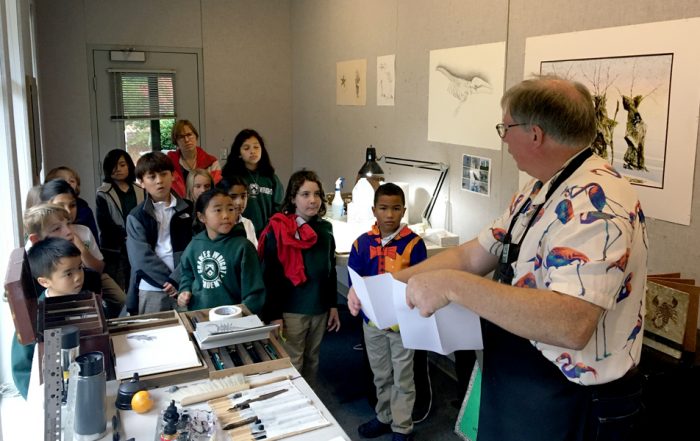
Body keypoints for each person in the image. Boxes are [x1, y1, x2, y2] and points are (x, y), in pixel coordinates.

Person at [389, 76, 648, 441]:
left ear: (535, 134)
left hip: (570, 398)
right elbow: (472, 255)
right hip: (519, 380)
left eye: (505, 127)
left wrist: (454, 286)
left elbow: (570, 324)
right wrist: (390, 285)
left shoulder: (597, 201)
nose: (504, 138)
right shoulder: (540, 187)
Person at [347, 183, 427, 441]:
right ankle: (384, 416)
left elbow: (421, 280)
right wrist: (353, 294)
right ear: (374, 210)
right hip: (372, 324)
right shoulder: (362, 243)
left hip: (402, 324)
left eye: (395, 209)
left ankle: (402, 426)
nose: (389, 215)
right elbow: (354, 280)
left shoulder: (414, 244)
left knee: (403, 377)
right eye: (383, 208)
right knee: (380, 374)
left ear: (403, 210)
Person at [258, 169, 340, 383]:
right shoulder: (280, 229)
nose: (312, 200)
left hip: (319, 308)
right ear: (293, 198)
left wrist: (332, 305)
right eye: (305, 194)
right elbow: (271, 277)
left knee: (313, 359)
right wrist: (274, 315)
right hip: (291, 310)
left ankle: (312, 403)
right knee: (293, 361)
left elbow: (329, 270)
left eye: (317, 194)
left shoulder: (326, 229)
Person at [11, 237, 88, 399]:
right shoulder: (34, 316)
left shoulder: (85, 299)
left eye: (80, 268)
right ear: (44, 281)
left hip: (84, 381)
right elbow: (22, 367)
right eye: (68, 273)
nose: (78, 277)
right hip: (52, 393)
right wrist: (37, 399)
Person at [39, 180, 126, 317]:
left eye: (72, 205)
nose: (68, 211)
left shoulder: (84, 231)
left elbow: (99, 268)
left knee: (123, 301)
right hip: (63, 281)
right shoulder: (44, 236)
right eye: (61, 206)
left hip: (91, 275)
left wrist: (81, 247)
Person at [177, 189, 266, 313]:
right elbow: (187, 274)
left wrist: (242, 315)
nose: (226, 215)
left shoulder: (243, 247)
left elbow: (254, 292)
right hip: (200, 315)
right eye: (218, 210)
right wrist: (184, 290)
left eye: (231, 209)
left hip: (234, 320)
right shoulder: (194, 245)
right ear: (202, 217)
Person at [126, 151, 193, 315]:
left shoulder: (190, 209)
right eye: (152, 176)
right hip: (151, 287)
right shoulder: (136, 216)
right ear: (141, 182)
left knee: (189, 334)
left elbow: (195, 246)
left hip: (185, 284)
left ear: (173, 176)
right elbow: (140, 258)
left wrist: (176, 279)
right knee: (151, 335)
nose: (159, 181)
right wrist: (167, 282)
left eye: (164, 174)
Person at [95, 149, 145, 291]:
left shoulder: (141, 190)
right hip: (114, 249)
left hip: (138, 244)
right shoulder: (103, 193)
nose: (118, 169)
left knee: (137, 286)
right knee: (119, 289)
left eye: (122, 165)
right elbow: (104, 224)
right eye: (114, 166)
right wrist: (125, 236)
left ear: (129, 166)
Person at [222, 129, 284, 238]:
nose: (252, 151)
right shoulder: (231, 177)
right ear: (239, 153)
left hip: (267, 236)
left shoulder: (271, 178)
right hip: (238, 234)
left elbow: (279, 208)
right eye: (246, 148)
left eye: (256, 147)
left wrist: (271, 230)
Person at [167, 119, 222, 198]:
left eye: (189, 135)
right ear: (176, 141)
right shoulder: (169, 164)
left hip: (206, 204)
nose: (186, 140)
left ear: (196, 136)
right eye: (181, 137)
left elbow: (217, 190)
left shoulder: (211, 162)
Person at [45, 166, 100, 243]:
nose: (67, 184)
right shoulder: (43, 232)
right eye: (62, 181)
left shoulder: (85, 211)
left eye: (71, 181)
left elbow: (95, 241)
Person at [217, 176, 258, 247]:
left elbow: (254, 251)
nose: (239, 202)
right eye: (233, 197)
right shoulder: (216, 224)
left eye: (243, 196)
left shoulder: (247, 223)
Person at [185, 168, 214, 235]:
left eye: (207, 186)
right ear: (190, 188)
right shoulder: (184, 211)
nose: (203, 190)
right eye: (198, 186)